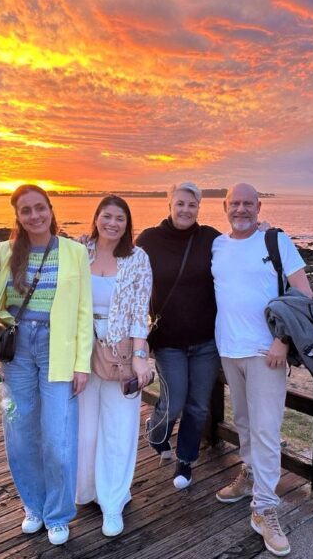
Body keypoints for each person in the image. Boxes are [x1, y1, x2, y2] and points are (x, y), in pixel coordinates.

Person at [0, 184, 92, 547]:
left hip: (58, 350)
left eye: (40, 207)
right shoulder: (5, 251)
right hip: (17, 350)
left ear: (50, 209)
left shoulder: (74, 251)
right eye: (26, 210)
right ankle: (34, 505)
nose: (34, 215)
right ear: (17, 216)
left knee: (58, 437)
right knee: (20, 431)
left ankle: (58, 513)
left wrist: (82, 364)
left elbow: (83, 311)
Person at [211, 183, 313, 557]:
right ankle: (250, 476)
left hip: (266, 353)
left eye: (247, 204)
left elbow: (305, 295)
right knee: (243, 421)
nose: (241, 209)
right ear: (225, 206)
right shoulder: (217, 246)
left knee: (267, 430)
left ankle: (265, 509)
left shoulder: (276, 241)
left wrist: (283, 340)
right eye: (234, 203)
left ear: (258, 207)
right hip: (228, 350)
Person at [76, 195, 153, 538]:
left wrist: (140, 354)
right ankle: (87, 489)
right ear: (96, 218)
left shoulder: (137, 258)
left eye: (120, 218)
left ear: (127, 224)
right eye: (106, 216)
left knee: (119, 428)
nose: (112, 223)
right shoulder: (79, 251)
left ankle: (113, 500)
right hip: (81, 349)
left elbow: (140, 310)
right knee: (85, 428)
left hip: (120, 350)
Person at [137, 182, 222, 489]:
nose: (186, 210)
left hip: (206, 341)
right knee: (173, 403)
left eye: (192, 205)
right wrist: (87, 246)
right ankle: (156, 431)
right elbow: (121, 264)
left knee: (198, 406)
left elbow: (241, 253)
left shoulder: (211, 238)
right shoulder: (149, 239)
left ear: (199, 207)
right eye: (180, 203)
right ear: (169, 205)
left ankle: (185, 460)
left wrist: (264, 233)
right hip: (168, 340)